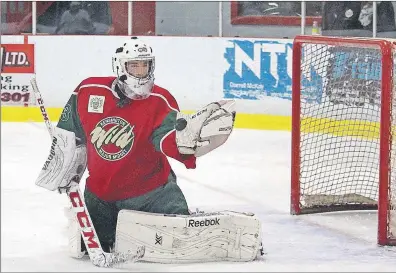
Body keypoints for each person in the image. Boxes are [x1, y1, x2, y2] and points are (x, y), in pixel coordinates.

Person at [34, 37, 262, 263]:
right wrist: (63, 168)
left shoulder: (160, 100)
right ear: (120, 66)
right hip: (101, 196)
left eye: (146, 65)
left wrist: (187, 143)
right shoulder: (88, 91)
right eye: (134, 65)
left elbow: (167, 138)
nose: (141, 71)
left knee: (181, 239)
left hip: (152, 194)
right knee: (85, 249)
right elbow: (70, 135)